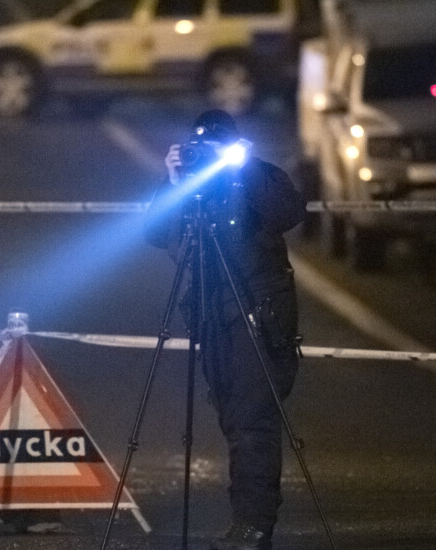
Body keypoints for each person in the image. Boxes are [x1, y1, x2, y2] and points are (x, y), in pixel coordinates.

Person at [145, 110, 306, 550]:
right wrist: (173, 181)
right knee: (233, 420)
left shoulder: (257, 176)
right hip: (213, 315)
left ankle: (254, 526)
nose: (208, 156)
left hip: (257, 313)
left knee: (254, 422)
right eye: (201, 148)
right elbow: (155, 233)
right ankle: (245, 522)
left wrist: (244, 167)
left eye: (217, 147)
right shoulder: (192, 186)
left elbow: (288, 212)